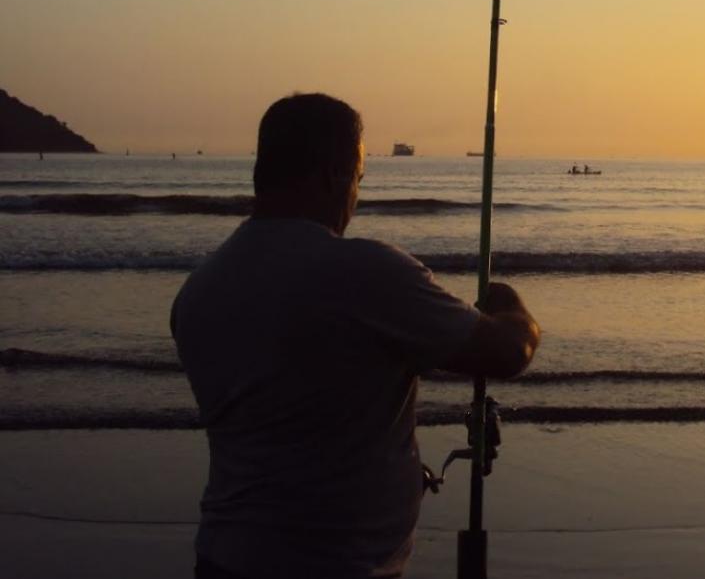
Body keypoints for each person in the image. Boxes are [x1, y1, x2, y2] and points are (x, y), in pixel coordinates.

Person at [171, 93, 540, 579]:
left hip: (223, 559)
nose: (356, 197)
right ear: (332, 174)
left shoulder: (200, 291)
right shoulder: (364, 274)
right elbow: (509, 351)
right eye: (359, 178)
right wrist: (508, 303)